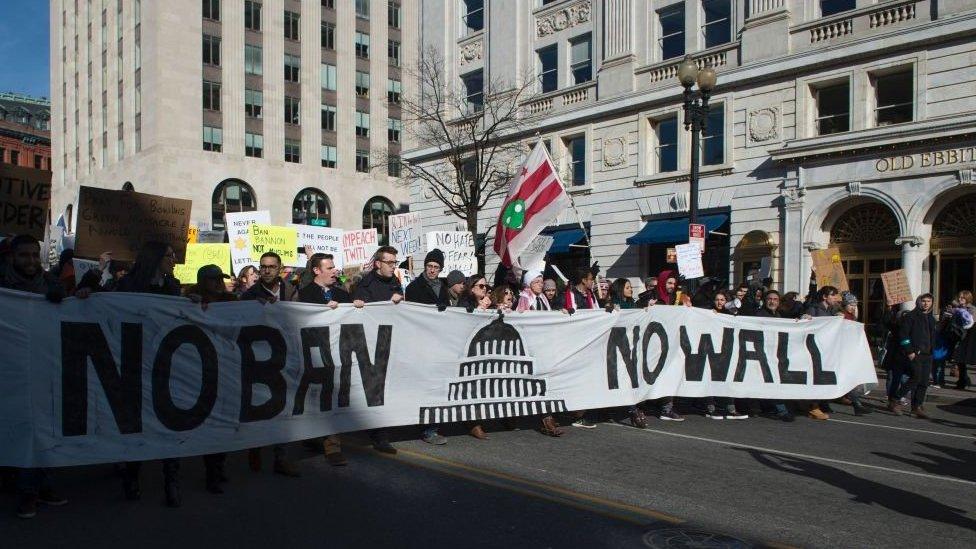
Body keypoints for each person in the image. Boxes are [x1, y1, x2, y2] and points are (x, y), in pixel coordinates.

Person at [0, 235, 72, 518]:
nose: (30, 261)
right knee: (23, 430)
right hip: (12, 372)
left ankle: (41, 485)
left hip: (47, 369)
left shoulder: (52, 286)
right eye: (24, 256)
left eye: (34, 255)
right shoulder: (4, 289)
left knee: (45, 429)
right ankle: (27, 491)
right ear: (12, 258)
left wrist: (78, 296)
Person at [112, 241, 185, 506]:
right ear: (154, 258)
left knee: (171, 423)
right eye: (168, 255)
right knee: (136, 424)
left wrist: (195, 303)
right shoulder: (129, 285)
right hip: (135, 363)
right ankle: (132, 477)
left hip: (167, 364)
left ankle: (171, 480)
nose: (174, 259)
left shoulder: (173, 287)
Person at [240, 252, 301, 477]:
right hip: (258, 359)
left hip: (285, 357)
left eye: (271, 267)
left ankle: (280, 457)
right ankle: (255, 447)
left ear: (280, 268)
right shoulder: (249, 297)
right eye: (263, 267)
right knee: (258, 406)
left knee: (283, 407)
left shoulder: (291, 291)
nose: (266, 270)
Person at [182, 264, 238, 494]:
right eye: (214, 279)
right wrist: (191, 304)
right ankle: (211, 471)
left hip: (227, 368)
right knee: (210, 422)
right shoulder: (190, 300)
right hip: (200, 369)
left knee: (224, 421)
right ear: (202, 281)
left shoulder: (232, 300)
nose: (218, 283)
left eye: (220, 279)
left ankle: (219, 463)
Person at [296, 253, 352, 465]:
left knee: (331, 396)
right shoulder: (305, 295)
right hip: (314, 353)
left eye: (334, 267)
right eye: (329, 268)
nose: (335, 271)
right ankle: (312, 436)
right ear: (317, 270)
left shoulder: (342, 293)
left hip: (338, 353)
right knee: (314, 397)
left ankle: (332, 445)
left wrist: (355, 307)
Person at [353, 246, 403, 454]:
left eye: (395, 263)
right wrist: (386, 304)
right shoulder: (365, 284)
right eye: (390, 263)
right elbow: (364, 311)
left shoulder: (395, 282)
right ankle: (379, 435)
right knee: (375, 388)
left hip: (392, 340)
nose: (393, 267)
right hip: (371, 343)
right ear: (378, 264)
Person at [404, 249, 452, 445]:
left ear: (440, 269)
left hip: (440, 340)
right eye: (429, 266)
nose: (432, 270)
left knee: (437, 384)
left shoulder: (443, 286)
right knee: (425, 384)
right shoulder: (415, 286)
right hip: (422, 341)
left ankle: (432, 425)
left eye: (436, 267)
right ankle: (427, 429)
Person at [562, 266, 603, 429]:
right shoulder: (570, 295)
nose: (593, 282)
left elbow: (596, 313)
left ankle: (580, 412)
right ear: (584, 281)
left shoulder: (591, 295)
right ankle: (577, 413)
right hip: (575, 343)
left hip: (589, 342)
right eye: (591, 279)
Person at [703, 291, 748, 420]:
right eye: (717, 299)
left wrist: (734, 315)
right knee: (710, 378)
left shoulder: (731, 313)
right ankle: (710, 408)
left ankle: (730, 408)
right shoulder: (708, 312)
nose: (719, 302)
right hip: (711, 349)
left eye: (722, 300)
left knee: (729, 378)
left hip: (727, 350)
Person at [895, 294, 938, 419]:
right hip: (915, 354)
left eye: (928, 301)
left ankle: (916, 407)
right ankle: (896, 400)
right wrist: (909, 351)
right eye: (923, 301)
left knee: (924, 382)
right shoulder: (911, 316)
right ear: (919, 302)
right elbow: (903, 335)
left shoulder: (931, 318)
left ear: (932, 303)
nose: (926, 303)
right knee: (915, 378)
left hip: (928, 354)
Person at [754, 290, 794, 421]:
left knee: (773, 381)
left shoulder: (780, 315)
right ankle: (781, 410)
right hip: (762, 354)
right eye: (769, 299)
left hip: (776, 354)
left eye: (775, 299)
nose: (772, 301)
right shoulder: (759, 314)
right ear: (765, 301)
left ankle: (769, 408)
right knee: (771, 381)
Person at [802, 286, 841, 420]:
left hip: (826, 350)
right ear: (825, 297)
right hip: (814, 350)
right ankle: (813, 407)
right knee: (815, 378)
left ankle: (820, 403)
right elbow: (806, 325)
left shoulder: (831, 311)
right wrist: (805, 318)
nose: (835, 298)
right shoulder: (814, 309)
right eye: (833, 295)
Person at [950, 290, 975, 390]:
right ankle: (963, 380)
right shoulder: (957, 308)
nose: (960, 299)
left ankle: (963, 381)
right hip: (957, 335)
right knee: (959, 360)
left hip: (968, 337)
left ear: (967, 299)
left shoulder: (971, 309)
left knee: (962, 359)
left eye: (962, 298)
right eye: (959, 297)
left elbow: (971, 322)